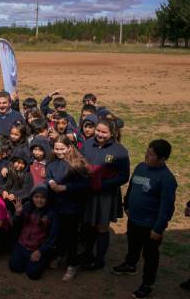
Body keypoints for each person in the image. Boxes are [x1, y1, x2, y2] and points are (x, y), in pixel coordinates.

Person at [112, 139, 177, 299]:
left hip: (150, 226)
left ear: (162, 159)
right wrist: (127, 204)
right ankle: (130, 264)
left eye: (151, 154)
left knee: (150, 256)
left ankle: (147, 284)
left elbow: (167, 207)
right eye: (147, 152)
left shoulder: (167, 179)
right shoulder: (141, 167)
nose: (146, 155)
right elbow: (132, 186)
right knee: (133, 244)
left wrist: (158, 228)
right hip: (134, 219)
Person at [81, 118, 130, 271]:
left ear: (112, 133)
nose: (100, 134)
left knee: (102, 227)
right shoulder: (87, 144)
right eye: (98, 130)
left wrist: (102, 184)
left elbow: (123, 177)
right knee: (89, 225)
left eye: (104, 132)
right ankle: (87, 253)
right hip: (88, 192)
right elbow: (81, 163)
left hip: (106, 196)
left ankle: (99, 259)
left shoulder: (120, 151)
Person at [46, 135, 90, 282]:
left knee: (71, 236)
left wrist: (66, 187)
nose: (59, 152)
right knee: (58, 233)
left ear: (69, 148)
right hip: (56, 205)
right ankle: (60, 255)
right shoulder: (52, 163)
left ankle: (72, 264)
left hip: (72, 206)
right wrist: (51, 182)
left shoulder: (77, 164)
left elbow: (85, 184)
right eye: (56, 149)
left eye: (62, 149)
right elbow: (48, 175)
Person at [9, 184, 58, 280]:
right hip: (22, 245)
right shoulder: (27, 206)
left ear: (47, 199)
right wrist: (17, 214)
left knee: (33, 274)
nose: (39, 200)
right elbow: (15, 225)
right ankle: (25, 259)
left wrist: (40, 251)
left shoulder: (51, 213)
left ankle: (44, 259)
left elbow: (53, 236)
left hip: (37, 249)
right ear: (32, 197)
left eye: (43, 197)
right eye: (36, 197)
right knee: (15, 267)